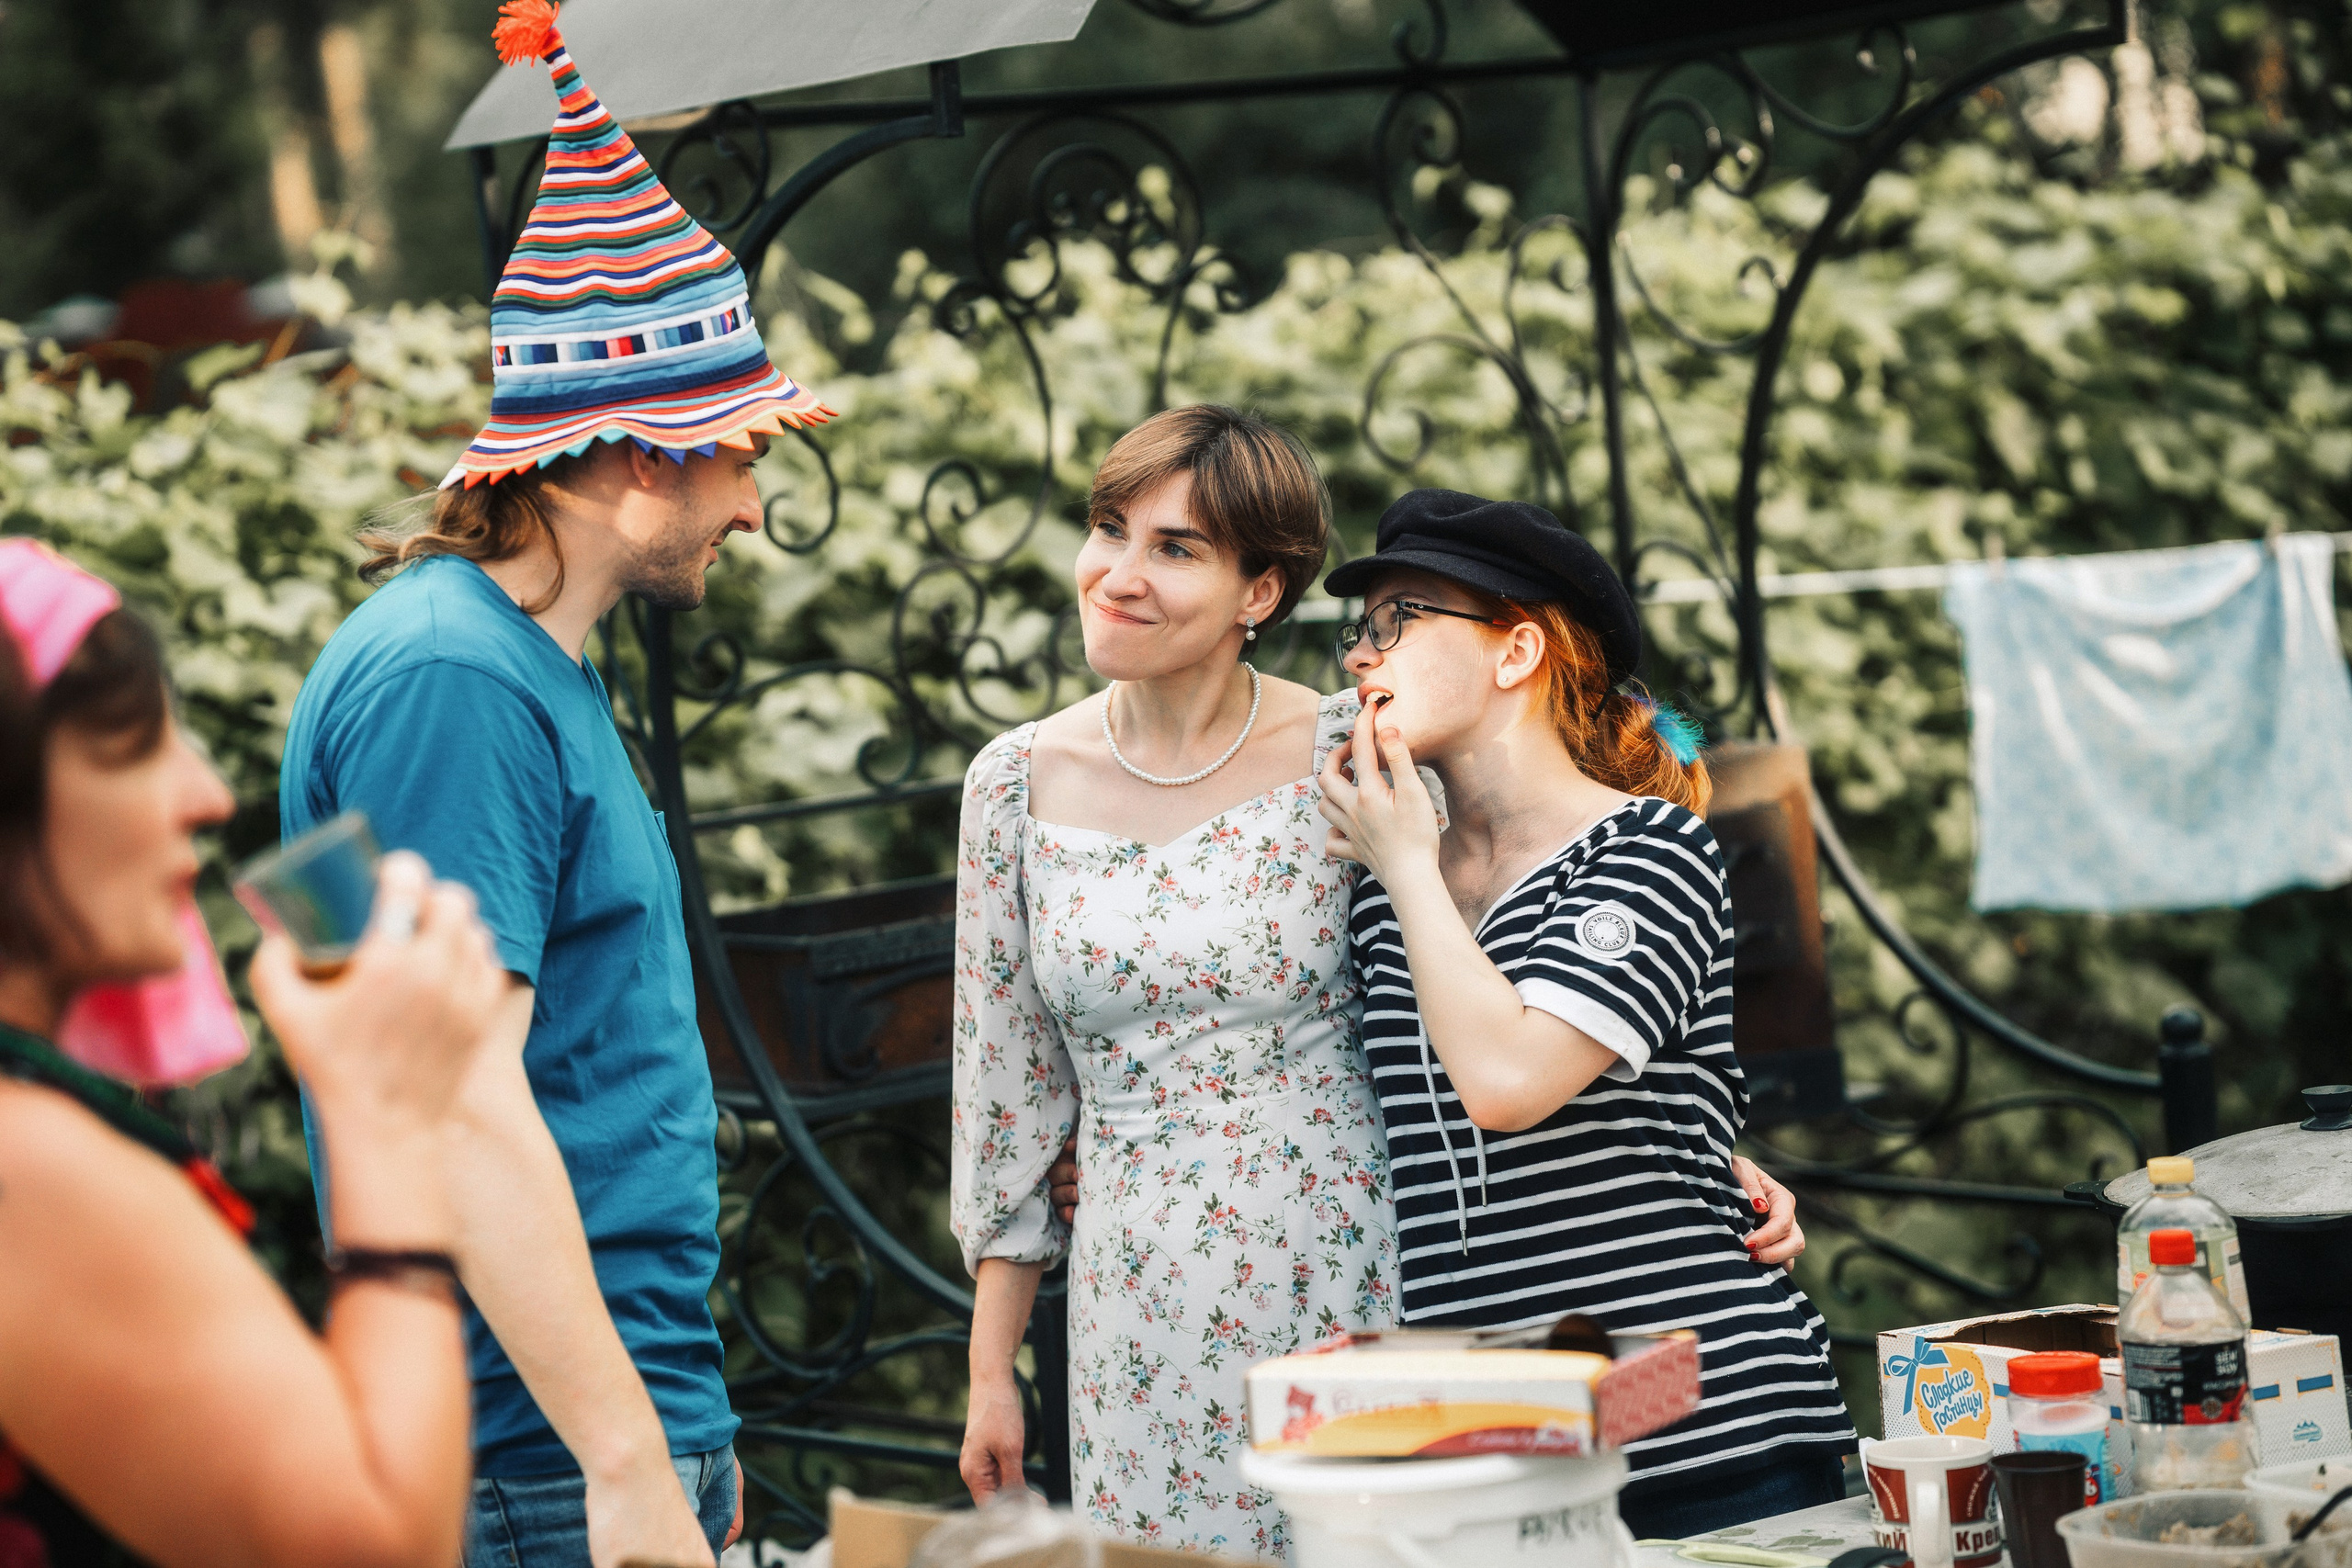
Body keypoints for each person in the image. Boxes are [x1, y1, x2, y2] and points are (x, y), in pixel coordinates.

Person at [277, 5, 834, 1562]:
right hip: (543, 1453)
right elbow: (453, 1095)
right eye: (738, 450)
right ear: (643, 454)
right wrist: (626, 1461)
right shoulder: (450, 681)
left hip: (577, 1427)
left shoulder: (504, 663)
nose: (754, 497)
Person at [1315, 489, 1857, 1538]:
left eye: (1400, 620)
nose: (1358, 657)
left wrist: (1404, 867)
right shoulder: (1388, 886)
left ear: (1516, 652)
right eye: (1358, 630)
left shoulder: (1649, 850)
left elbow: (1508, 1084)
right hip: (1498, 1449)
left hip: (1704, 1428)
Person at [0, 538, 508, 1567]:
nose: (208, 793)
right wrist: (386, 1119)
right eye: (134, 747)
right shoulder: (26, 1166)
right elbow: (378, 1551)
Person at [950, 405, 1398, 1559]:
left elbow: (1474, 983)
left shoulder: (1349, 751)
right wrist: (991, 1371)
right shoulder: (1011, 784)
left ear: (1262, 591)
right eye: (1110, 529)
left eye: (1176, 548)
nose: (1119, 575)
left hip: (1349, 1262)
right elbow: (1005, 1094)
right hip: (1132, 1293)